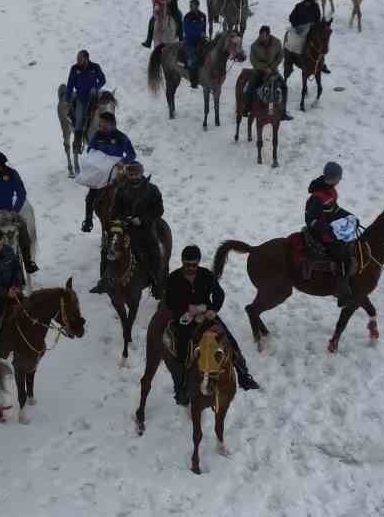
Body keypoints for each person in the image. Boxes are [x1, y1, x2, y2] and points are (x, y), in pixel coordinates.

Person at [164, 245, 260, 405]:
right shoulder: (173, 278)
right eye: (187, 265)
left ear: (198, 263)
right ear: (182, 263)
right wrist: (186, 310)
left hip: (207, 315)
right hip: (184, 318)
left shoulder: (206, 275)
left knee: (230, 340)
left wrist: (213, 310)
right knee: (181, 350)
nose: (190, 269)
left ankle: (243, 375)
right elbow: (169, 301)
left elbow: (219, 294)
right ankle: (181, 387)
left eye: (194, 265)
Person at [104, 159, 165, 297]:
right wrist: (121, 220)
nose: (133, 177)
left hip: (145, 228)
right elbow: (115, 210)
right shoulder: (122, 189)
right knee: (108, 248)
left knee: (154, 252)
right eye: (131, 175)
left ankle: (157, 283)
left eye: (136, 174)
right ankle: (105, 279)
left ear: (141, 173)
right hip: (125, 227)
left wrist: (142, 219)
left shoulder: (152, 190)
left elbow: (159, 210)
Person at [305, 161, 357, 304]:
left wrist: (349, 215)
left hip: (331, 228)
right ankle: (341, 292)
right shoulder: (316, 197)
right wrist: (326, 227)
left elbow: (334, 209)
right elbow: (310, 220)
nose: (340, 180)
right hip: (319, 234)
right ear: (333, 177)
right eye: (339, 177)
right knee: (343, 257)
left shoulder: (331, 191)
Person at [80, 110, 135, 237]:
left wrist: (123, 161)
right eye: (100, 125)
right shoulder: (97, 135)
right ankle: (88, 220)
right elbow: (90, 149)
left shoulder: (121, 137)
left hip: (117, 168)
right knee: (91, 195)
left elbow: (132, 154)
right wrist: (93, 158)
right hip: (100, 169)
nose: (100, 127)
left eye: (103, 125)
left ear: (112, 125)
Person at [245, 25, 292, 120]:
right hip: (259, 71)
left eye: (264, 36)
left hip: (273, 71)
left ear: (268, 35)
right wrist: (265, 68)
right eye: (260, 35)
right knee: (250, 87)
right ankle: (247, 108)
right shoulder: (254, 46)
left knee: (284, 88)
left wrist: (272, 67)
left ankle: (283, 112)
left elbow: (280, 55)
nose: (262, 38)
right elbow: (254, 61)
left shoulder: (277, 42)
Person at [65, 50, 107, 149]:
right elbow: (70, 85)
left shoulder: (95, 67)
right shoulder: (74, 69)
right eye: (77, 58)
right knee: (79, 118)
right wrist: (67, 99)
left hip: (94, 98)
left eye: (80, 58)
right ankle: (78, 142)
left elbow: (103, 80)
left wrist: (96, 87)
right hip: (81, 98)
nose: (78, 60)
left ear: (86, 58)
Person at [181, 0, 208, 79]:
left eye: (194, 5)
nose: (192, 7)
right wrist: (199, 34)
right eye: (191, 5)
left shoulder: (203, 16)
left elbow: (204, 28)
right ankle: (193, 78)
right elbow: (187, 30)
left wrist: (203, 34)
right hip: (190, 42)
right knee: (192, 59)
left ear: (197, 6)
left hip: (201, 41)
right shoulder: (187, 17)